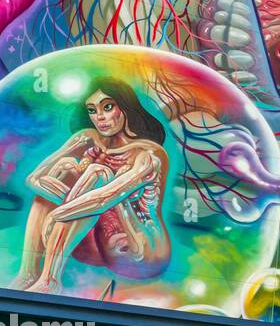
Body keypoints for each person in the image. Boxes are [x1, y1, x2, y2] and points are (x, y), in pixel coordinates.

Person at [13, 78, 171, 293]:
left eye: (108, 107)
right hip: (98, 245)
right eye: (92, 110)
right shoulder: (87, 138)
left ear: (125, 107)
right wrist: (61, 186)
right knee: (61, 175)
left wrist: (57, 215)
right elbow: (33, 178)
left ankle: (49, 280)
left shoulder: (148, 154)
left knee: (98, 173)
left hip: (140, 253)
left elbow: (102, 200)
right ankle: (28, 273)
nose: (100, 117)